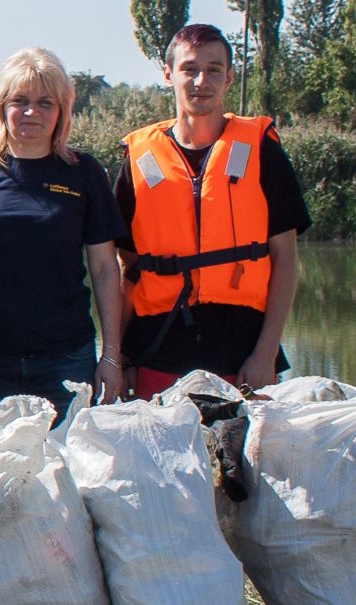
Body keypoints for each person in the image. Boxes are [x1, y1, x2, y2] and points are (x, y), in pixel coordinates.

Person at [115, 23, 309, 396]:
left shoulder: (260, 149)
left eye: (213, 69)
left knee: (242, 454)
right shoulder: (140, 157)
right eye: (189, 69)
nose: (201, 80)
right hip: (159, 348)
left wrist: (265, 353)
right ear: (169, 74)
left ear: (229, 78)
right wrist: (121, 357)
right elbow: (126, 269)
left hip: (242, 350)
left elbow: (286, 259)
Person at [0, 48, 128, 411]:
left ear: (62, 110)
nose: (31, 112)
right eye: (19, 100)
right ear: (0, 107)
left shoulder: (84, 172)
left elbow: (104, 269)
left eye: (45, 103)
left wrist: (112, 356)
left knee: (68, 466)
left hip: (66, 360)